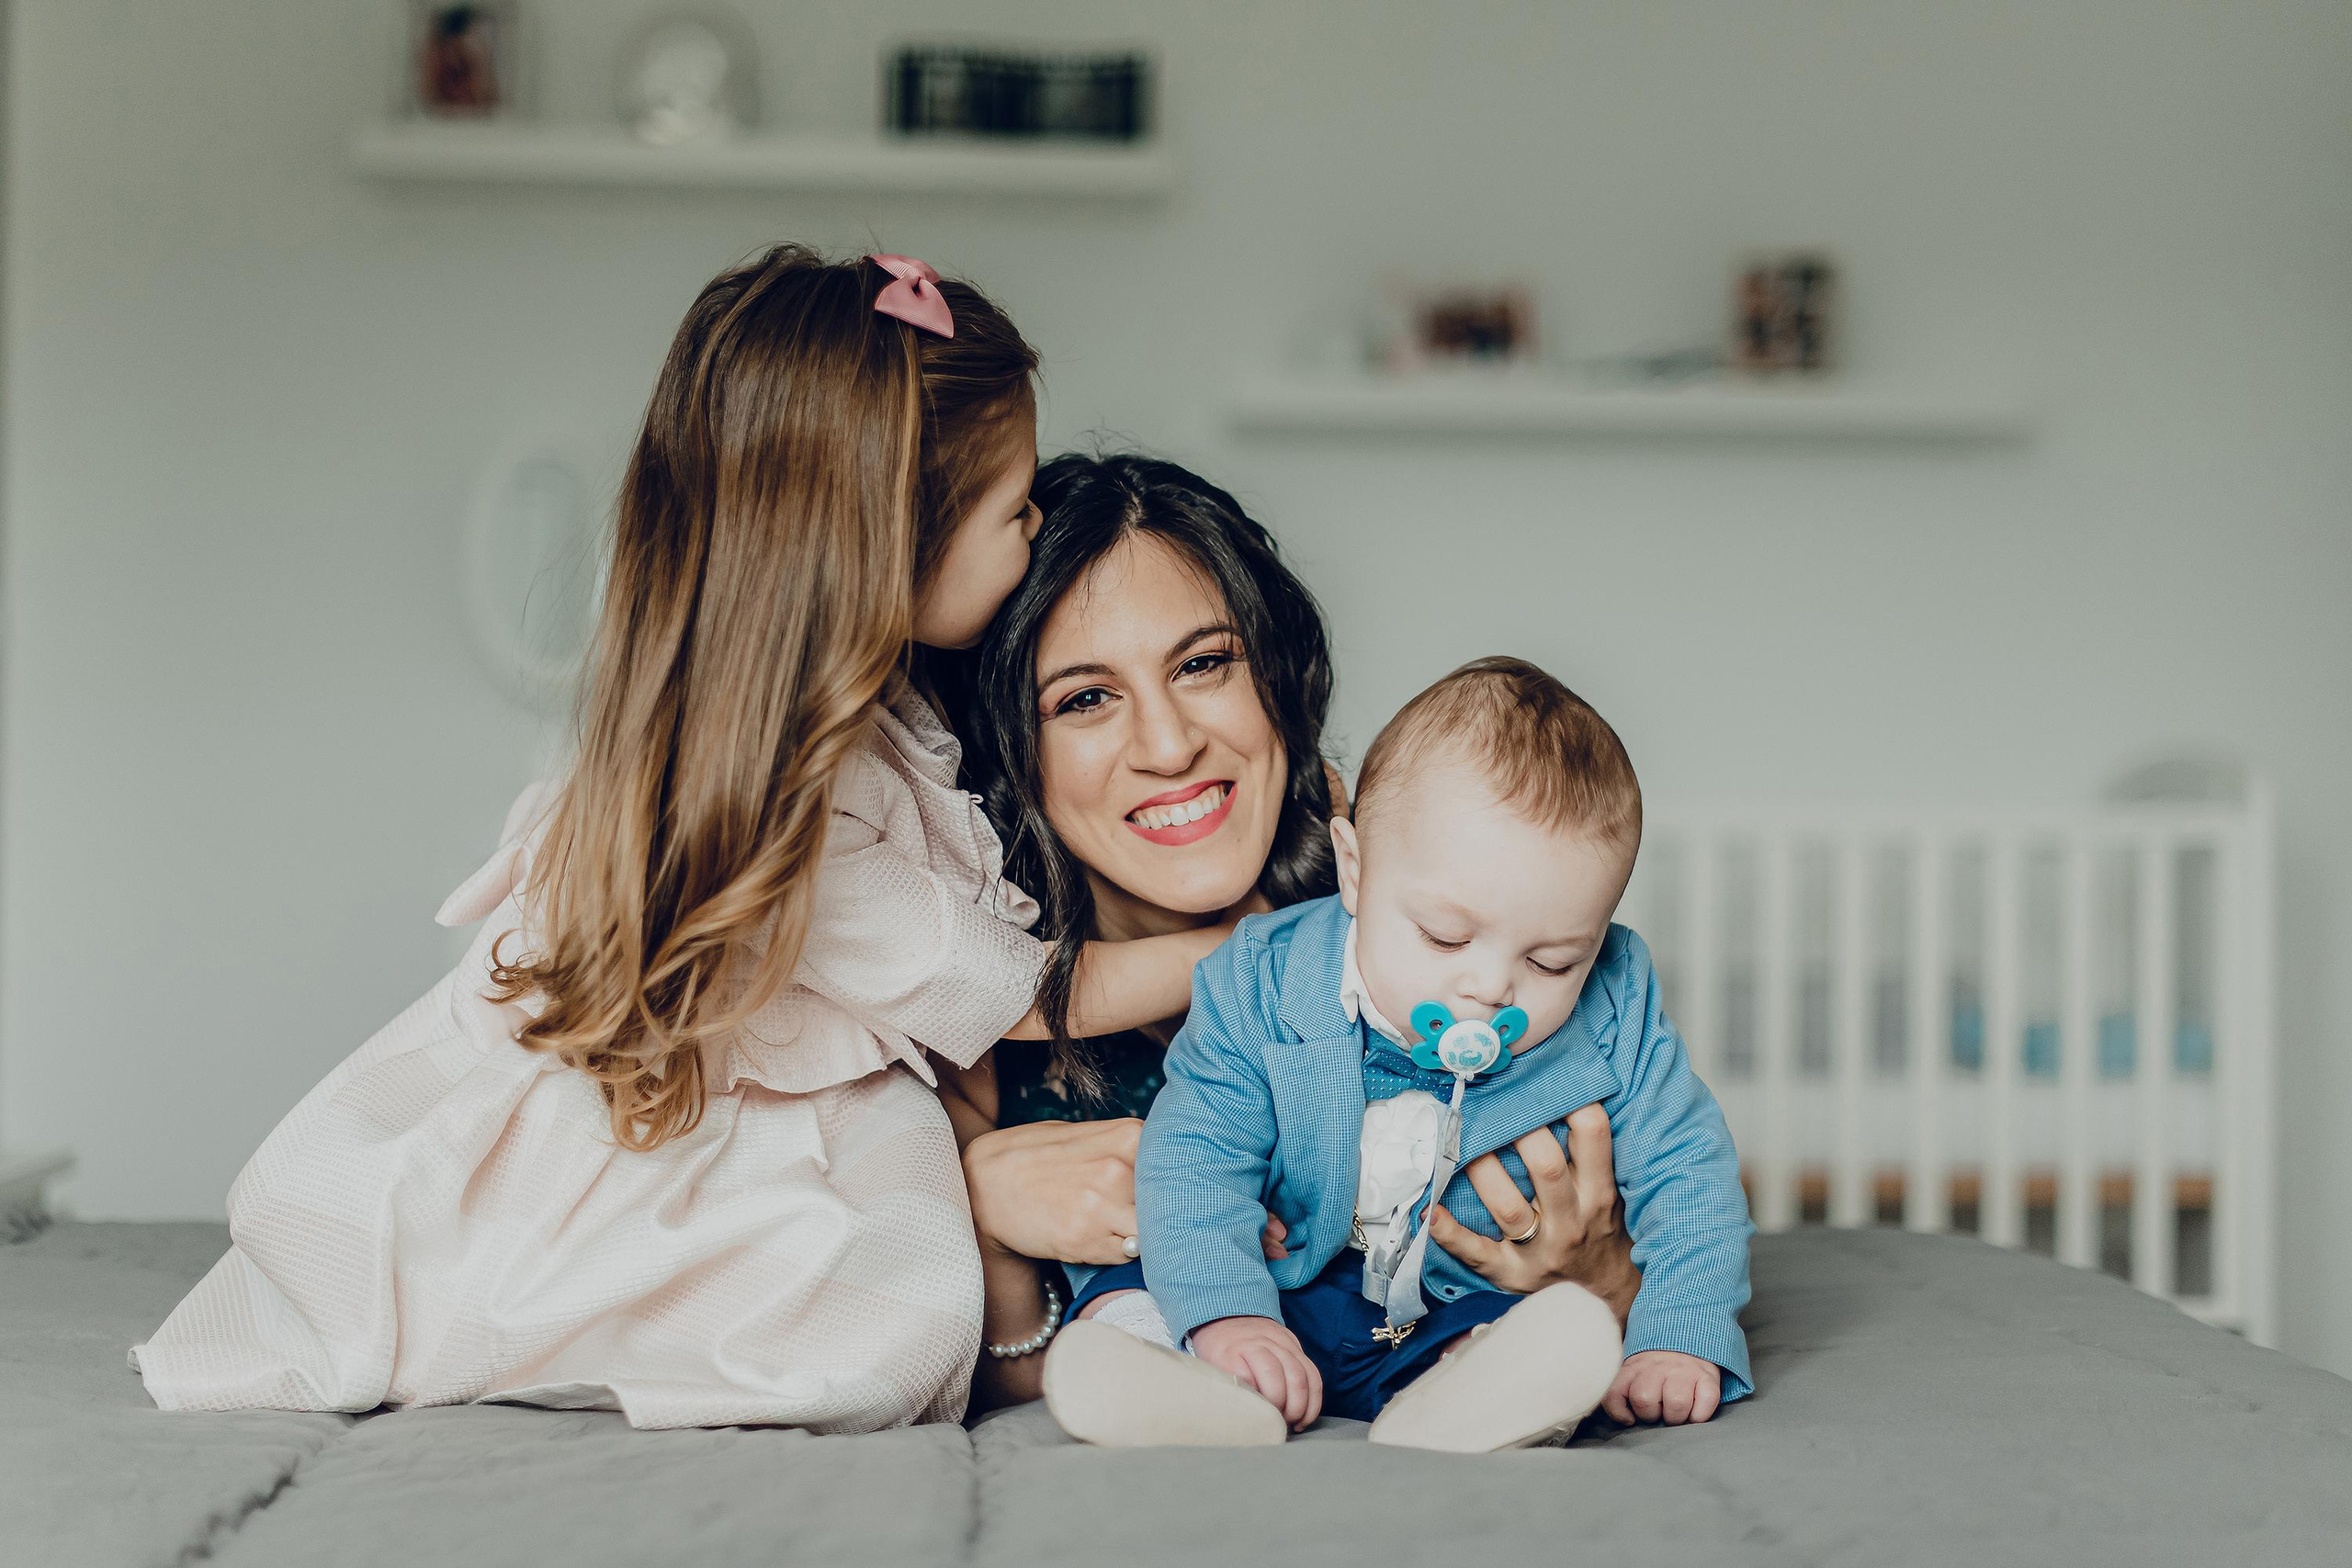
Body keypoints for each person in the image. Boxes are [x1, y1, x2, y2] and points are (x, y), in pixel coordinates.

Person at [131, 247, 1240, 1432]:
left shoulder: (820, 729)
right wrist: (1236, 944)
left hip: (732, 1083)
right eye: (1013, 511)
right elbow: (1020, 994)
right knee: (881, 1321)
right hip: (710, 1117)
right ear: (893, 544)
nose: (1034, 531)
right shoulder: (815, 808)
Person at [939, 458, 1645, 1414]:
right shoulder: (972, 1001)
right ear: (1010, 752)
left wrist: (1603, 1285)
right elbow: (1011, 1389)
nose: (1168, 744)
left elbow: (1668, 1216)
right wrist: (980, 1214)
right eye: (1083, 699)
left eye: (1202, 664)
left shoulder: (1422, 916)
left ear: (1276, 677)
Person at [1040, 657, 1753, 1450]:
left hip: (1441, 1304)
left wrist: (1678, 1331)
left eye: (1553, 962)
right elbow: (1197, 1151)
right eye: (1446, 936)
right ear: (1355, 868)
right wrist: (1230, 1313)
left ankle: (1465, 1400)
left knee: (1514, 1329)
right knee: (1134, 1269)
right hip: (1273, 1281)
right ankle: (1174, 1370)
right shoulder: (1266, 978)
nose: (1489, 988)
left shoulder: (1616, 1004)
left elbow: (1690, 1174)